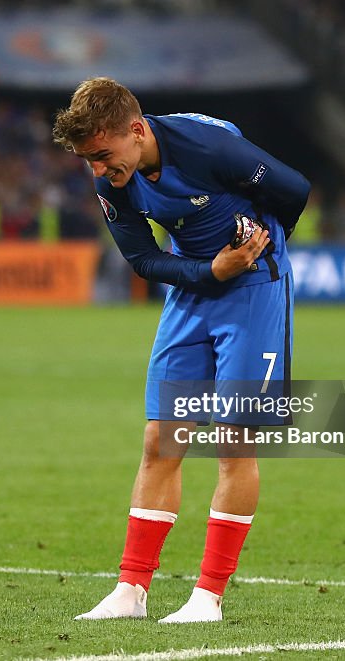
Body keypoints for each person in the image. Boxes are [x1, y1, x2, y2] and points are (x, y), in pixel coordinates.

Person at [52, 77, 310, 623]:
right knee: (160, 438)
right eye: (88, 160)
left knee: (233, 440)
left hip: (253, 291)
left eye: (102, 155)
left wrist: (264, 241)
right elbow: (142, 259)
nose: (98, 170)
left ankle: (208, 596)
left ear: (136, 130)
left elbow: (293, 189)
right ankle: (130, 592)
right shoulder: (112, 179)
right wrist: (209, 269)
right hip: (194, 290)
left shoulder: (207, 148)